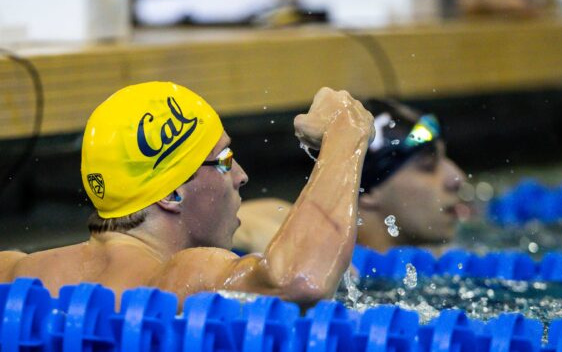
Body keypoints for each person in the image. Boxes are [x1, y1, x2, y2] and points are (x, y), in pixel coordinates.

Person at [0, 82, 374, 307]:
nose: (241, 176)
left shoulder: (15, 271)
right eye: (225, 160)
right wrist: (346, 133)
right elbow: (300, 280)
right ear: (173, 193)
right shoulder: (181, 277)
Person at [234, 99, 467, 255]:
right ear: (368, 191)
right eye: (428, 166)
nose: (456, 177)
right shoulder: (296, 229)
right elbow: (240, 223)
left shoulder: (444, 258)